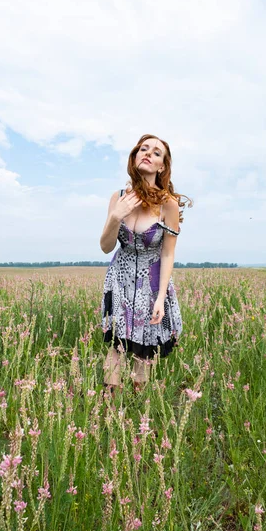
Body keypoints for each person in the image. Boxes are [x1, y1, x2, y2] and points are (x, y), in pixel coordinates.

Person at [100, 134, 191, 392]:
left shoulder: (168, 204)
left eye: (156, 152)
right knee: (116, 343)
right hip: (120, 279)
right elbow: (106, 246)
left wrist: (161, 297)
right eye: (143, 148)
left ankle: (136, 407)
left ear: (162, 166)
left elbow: (167, 254)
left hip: (151, 284)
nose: (148, 153)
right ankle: (108, 406)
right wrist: (116, 216)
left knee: (144, 346)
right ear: (135, 156)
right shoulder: (117, 197)